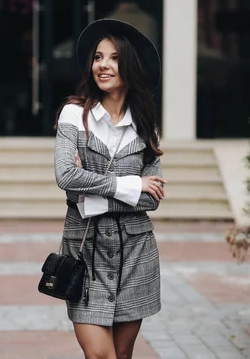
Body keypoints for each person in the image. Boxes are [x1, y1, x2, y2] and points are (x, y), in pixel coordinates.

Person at [53, 18, 166, 359]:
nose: (103, 64)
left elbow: (152, 199)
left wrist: (93, 196)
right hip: (84, 251)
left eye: (114, 57)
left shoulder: (146, 125)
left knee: (122, 356)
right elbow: (65, 177)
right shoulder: (74, 114)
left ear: (130, 65)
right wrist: (127, 185)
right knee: (101, 356)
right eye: (98, 56)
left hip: (135, 253)